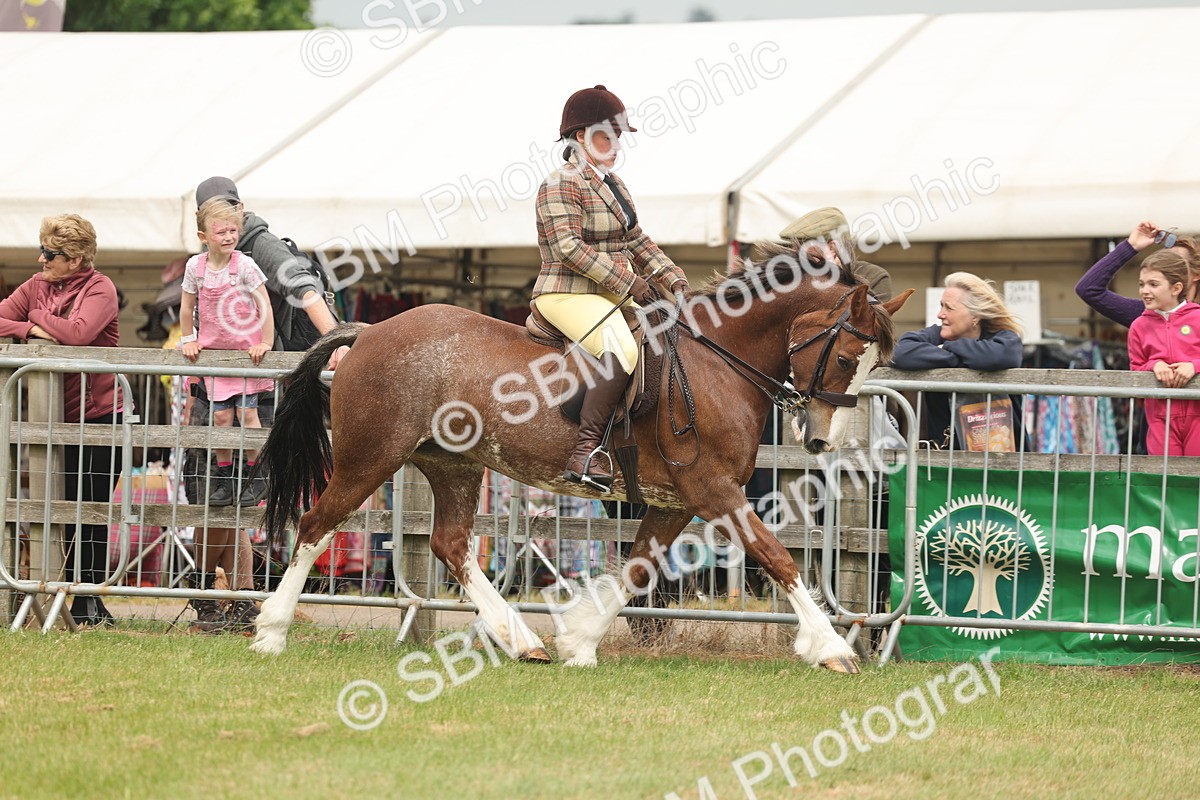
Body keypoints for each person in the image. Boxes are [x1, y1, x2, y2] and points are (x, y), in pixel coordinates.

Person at [533, 85, 689, 490]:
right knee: (621, 347)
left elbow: (637, 240)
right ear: (580, 137)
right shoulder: (561, 182)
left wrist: (675, 279)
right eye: (607, 135)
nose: (616, 144)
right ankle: (586, 451)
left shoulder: (614, 183)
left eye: (619, 136)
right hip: (566, 292)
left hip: (609, 293)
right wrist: (631, 281)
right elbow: (568, 247)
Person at [0, 214, 123, 626]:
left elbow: (79, 334)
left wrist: (38, 321)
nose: (40, 259)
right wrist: (32, 327)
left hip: (99, 418)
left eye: (50, 254)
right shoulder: (37, 286)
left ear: (74, 259)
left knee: (92, 511)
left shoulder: (100, 287)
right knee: (63, 512)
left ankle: (89, 602)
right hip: (51, 420)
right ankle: (75, 601)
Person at [177, 199, 274, 632]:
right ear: (204, 233)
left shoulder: (247, 266)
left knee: (237, 508)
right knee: (216, 507)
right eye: (221, 229)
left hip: (242, 370)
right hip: (211, 377)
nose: (229, 236)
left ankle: (234, 601)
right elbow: (187, 311)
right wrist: (188, 338)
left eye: (234, 228)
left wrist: (265, 344)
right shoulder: (196, 268)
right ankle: (211, 598)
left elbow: (265, 306)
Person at [891, 272, 1024, 449]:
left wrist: (947, 349)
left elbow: (1001, 356)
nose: (940, 314)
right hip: (945, 457)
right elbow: (900, 352)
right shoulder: (936, 334)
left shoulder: (1004, 338)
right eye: (941, 306)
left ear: (975, 315)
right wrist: (962, 358)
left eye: (949, 308)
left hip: (1002, 457)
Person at [1126, 250, 1200, 456]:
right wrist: (1154, 365)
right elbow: (1135, 369)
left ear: (1176, 288)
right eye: (1141, 284)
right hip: (1160, 418)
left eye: (1153, 284)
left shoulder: (1198, 318)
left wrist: (1194, 365)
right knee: (1164, 479)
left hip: (1198, 415)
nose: (1144, 291)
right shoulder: (1138, 327)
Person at [1075, 221, 1199, 327]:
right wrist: (1130, 247)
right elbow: (1088, 289)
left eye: (1176, 264)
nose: (1165, 269)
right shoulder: (1145, 314)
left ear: (1197, 273)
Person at [778, 206, 893, 301]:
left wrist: (838, 279)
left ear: (832, 248)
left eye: (803, 247)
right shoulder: (793, 279)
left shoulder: (873, 276)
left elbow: (869, 322)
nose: (794, 254)